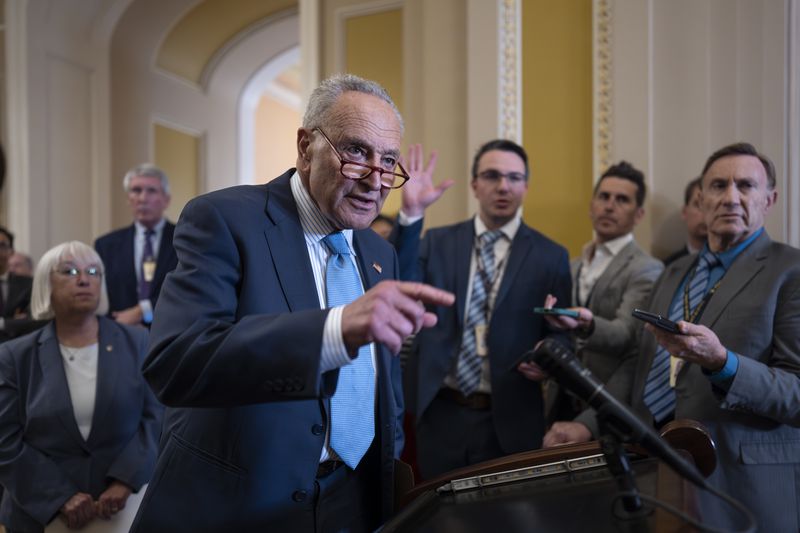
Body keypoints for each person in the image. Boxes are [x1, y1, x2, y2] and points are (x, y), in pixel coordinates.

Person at [130, 74, 454, 532]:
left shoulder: (380, 252)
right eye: (357, 152)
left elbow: (384, 386)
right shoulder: (223, 219)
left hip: (353, 501)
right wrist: (334, 331)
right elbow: (176, 361)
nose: (375, 180)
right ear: (306, 147)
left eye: (388, 161)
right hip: (240, 505)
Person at [543, 142, 800, 531]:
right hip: (657, 480)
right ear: (701, 197)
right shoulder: (674, 272)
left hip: (743, 487)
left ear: (770, 199)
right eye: (718, 186)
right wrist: (589, 424)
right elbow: (641, 364)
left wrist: (722, 363)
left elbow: (796, 394)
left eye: (746, 186)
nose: (731, 197)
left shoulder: (791, 271)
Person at [391, 139, 572, 479]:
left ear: (526, 186)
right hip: (440, 412)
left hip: (511, 418)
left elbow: (561, 336)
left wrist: (546, 358)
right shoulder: (438, 242)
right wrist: (412, 215)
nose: (503, 186)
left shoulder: (552, 257)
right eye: (492, 175)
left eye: (514, 178)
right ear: (475, 184)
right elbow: (394, 282)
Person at [0, 241, 162, 532]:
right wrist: (58, 496)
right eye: (70, 271)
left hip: (122, 510)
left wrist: (126, 478)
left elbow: (157, 418)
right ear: (45, 283)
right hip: (40, 515)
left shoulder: (138, 344)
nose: (84, 279)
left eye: (93, 271)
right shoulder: (14, 356)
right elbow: (5, 440)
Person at [541, 161, 663, 424]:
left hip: (607, 406)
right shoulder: (572, 264)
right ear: (591, 206)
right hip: (559, 401)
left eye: (622, 200)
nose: (610, 206)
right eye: (604, 197)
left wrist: (587, 324)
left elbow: (627, 335)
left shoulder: (647, 269)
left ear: (639, 214)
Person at [94, 164, 177, 326]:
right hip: (120, 333)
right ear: (128, 198)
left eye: (151, 191)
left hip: (171, 332)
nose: (142, 198)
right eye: (136, 190)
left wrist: (144, 312)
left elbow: (186, 291)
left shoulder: (184, 241)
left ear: (166, 200)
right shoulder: (106, 245)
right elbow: (101, 296)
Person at [0, 227, 34, 343]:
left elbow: (34, 320)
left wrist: (3, 323)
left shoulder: (29, 285)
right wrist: (13, 322)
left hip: (18, 349)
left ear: (11, 252)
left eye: (2, 245)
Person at [663, 176, 707, 265]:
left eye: (710, 206)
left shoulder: (736, 266)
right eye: (698, 205)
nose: (705, 213)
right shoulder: (668, 268)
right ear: (684, 212)